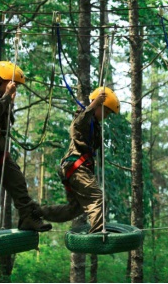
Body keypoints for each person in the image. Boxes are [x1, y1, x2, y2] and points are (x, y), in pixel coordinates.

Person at [0, 61, 52, 240]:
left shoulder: (3, 96)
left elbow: (7, 120)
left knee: (18, 182)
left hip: (0, 148)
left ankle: (27, 218)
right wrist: (7, 96)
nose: (13, 88)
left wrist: (8, 99)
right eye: (10, 83)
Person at [41, 87, 120, 233]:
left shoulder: (94, 125)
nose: (106, 116)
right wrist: (93, 105)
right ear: (98, 105)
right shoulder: (84, 118)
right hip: (77, 166)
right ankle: (97, 232)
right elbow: (76, 126)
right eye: (106, 111)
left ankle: (34, 212)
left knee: (74, 209)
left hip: (74, 167)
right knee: (96, 197)